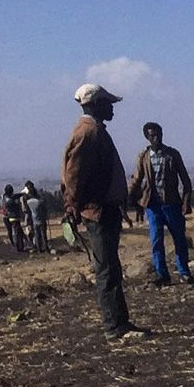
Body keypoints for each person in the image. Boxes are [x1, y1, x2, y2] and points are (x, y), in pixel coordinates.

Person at [61, 83, 147, 341]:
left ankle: (120, 322)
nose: (112, 108)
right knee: (107, 270)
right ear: (97, 104)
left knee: (110, 267)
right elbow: (74, 175)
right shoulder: (89, 133)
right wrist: (72, 205)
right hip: (98, 211)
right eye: (108, 103)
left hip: (102, 210)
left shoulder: (92, 130)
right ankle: (114, 327)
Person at [129, 122, 194, 285]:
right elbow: (137, 179)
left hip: (172, 204)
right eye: (152, 135)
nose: (156, 138)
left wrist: (186, 202)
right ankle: (162, 275)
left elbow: (185, 180)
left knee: (179, 239)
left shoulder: (172, 154)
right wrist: (129, 197)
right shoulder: (143, 157)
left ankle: (184, 272)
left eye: (158, 134)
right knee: (156, 240)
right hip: (153, 206)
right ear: (147, 137)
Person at [21, 181, 52, 253]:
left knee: (37, 234)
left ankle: (38, 248)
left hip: (34, 219)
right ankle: (45, 248)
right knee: (42, 234)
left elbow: (25, 209)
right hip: (40, 218)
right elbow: (43, 209)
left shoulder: (28, 201)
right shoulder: (39, 201)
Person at [1, 185, 26, 252]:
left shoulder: (4, 197)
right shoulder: (10, 201)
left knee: (11, 231)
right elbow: (14, 200)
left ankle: (14, 244)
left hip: (7, 217)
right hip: (13, 217)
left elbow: (15, 196)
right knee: (17, 232)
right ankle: (18, 247)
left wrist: (21, 194)